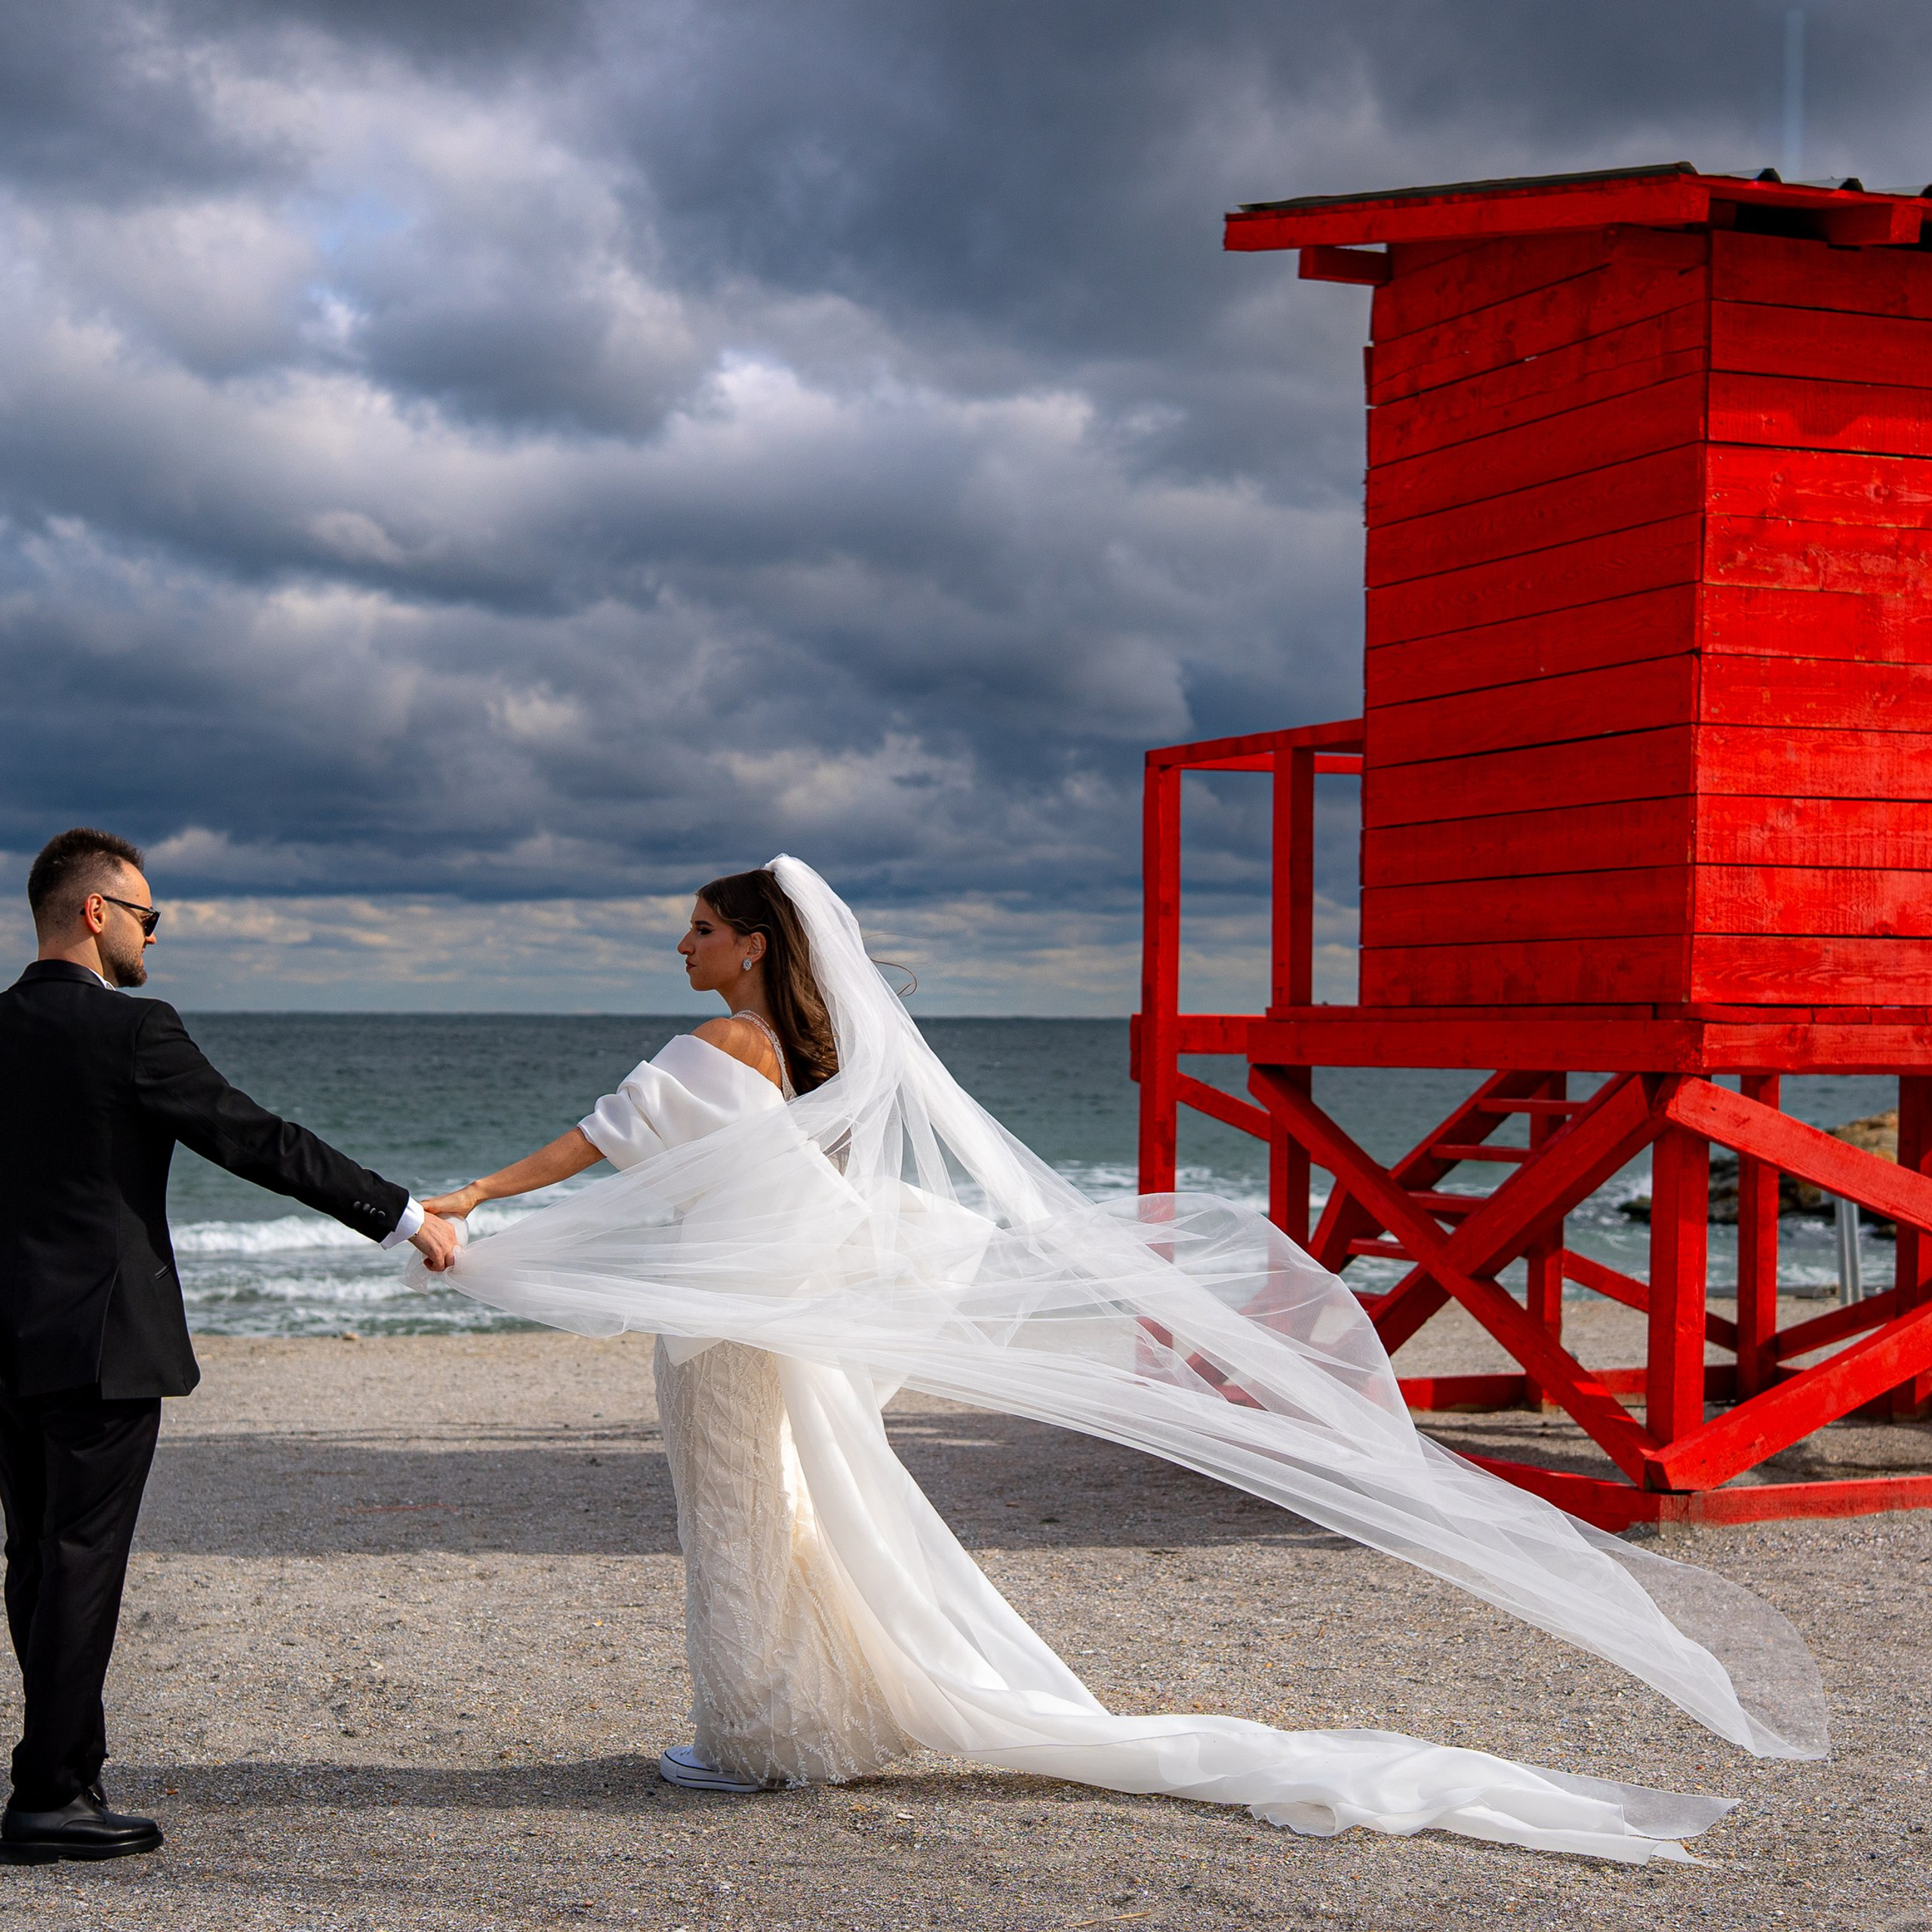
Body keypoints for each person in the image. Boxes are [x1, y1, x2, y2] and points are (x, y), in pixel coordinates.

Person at [425, 857, 1826, 1864]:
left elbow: (596, 1144)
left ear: (744, 945)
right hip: (766, 1320)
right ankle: (805, 1719)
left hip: (729, 1338)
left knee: (741, 1521)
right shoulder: (801, 1060)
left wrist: (477, 1201)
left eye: (696, 929)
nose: (679, 947)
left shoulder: (714, 1041)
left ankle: (753, 1738)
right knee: (784, 1522)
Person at [0, 828, 460, 1863]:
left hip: (9, 1340)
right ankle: (50, 1796)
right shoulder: (133, 1031)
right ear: (94, 913)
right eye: (148, 917)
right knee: (77, 1563)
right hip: (103, 1342)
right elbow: (259, 1140)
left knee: (34, 1558)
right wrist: (400, 1214)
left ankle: (65, 1766)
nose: (153, 938)